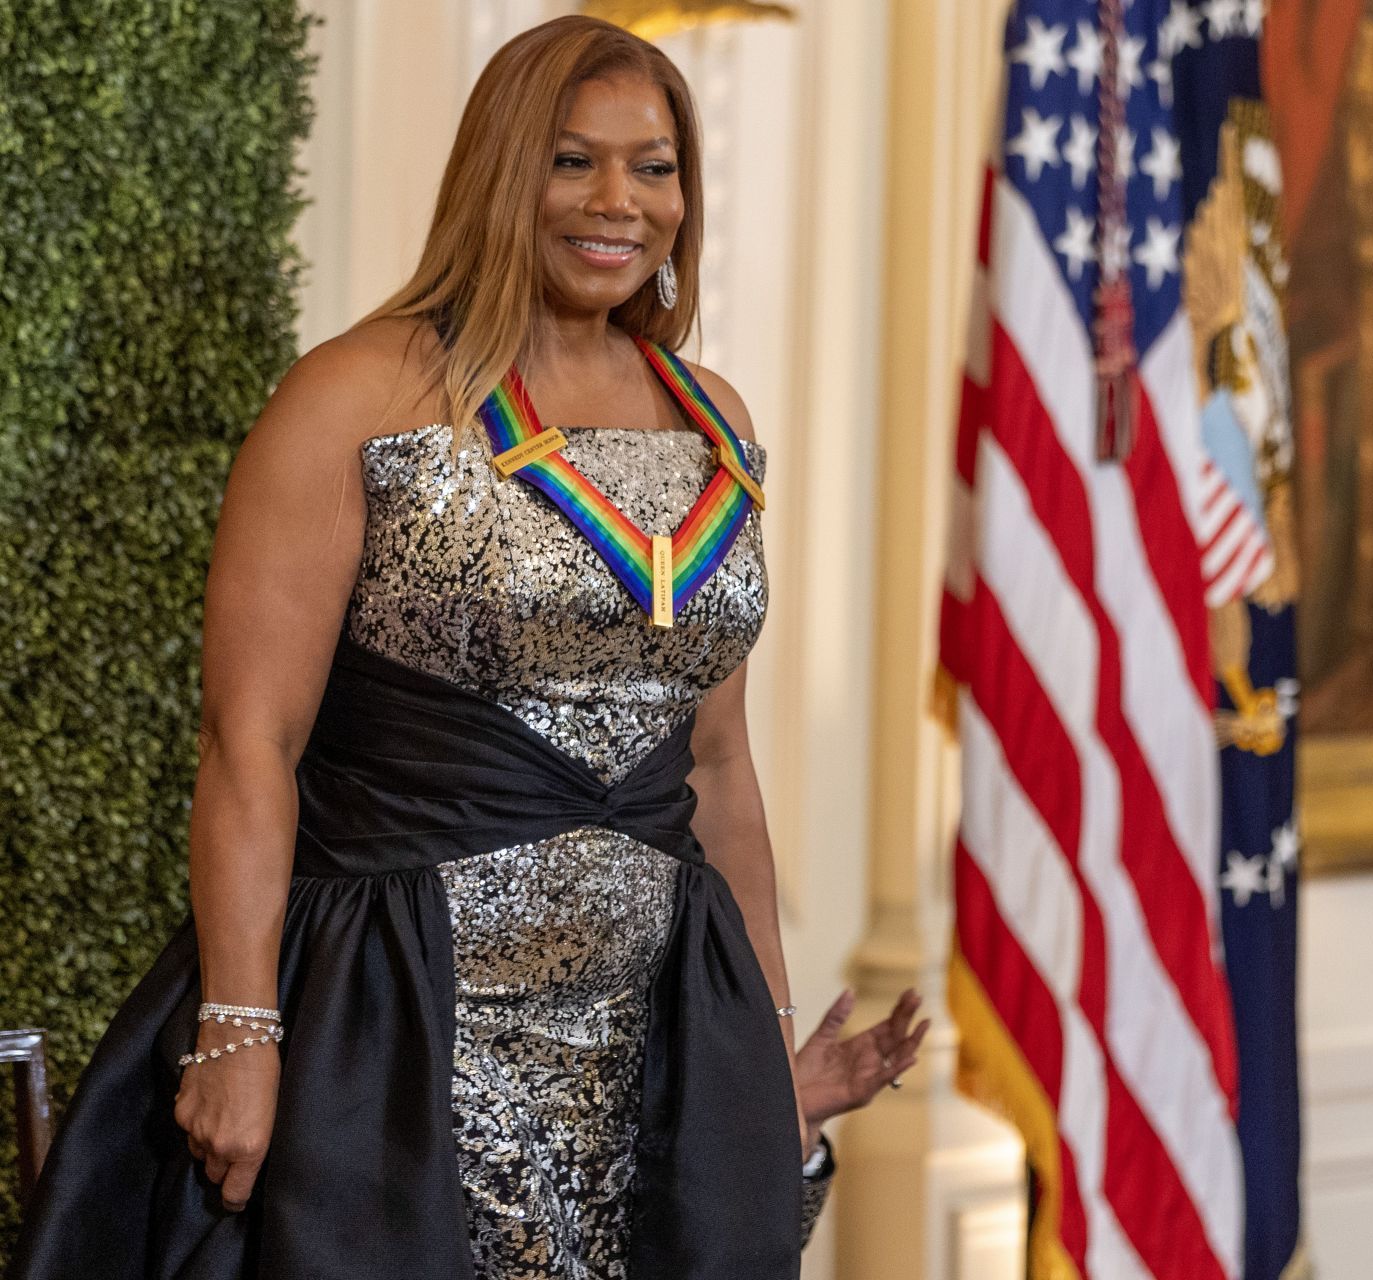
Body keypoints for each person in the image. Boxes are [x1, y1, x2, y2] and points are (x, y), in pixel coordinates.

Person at [9, 16, 926, 1280]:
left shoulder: (718, 419)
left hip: (652, 1034)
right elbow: (251, 740)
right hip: (391, 1027)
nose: (620, 201)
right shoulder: (352, 394)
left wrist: (763, 1054)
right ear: (502, 172)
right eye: (572, 161)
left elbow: (720, 771)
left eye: (654, 167)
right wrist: (237, 1026)